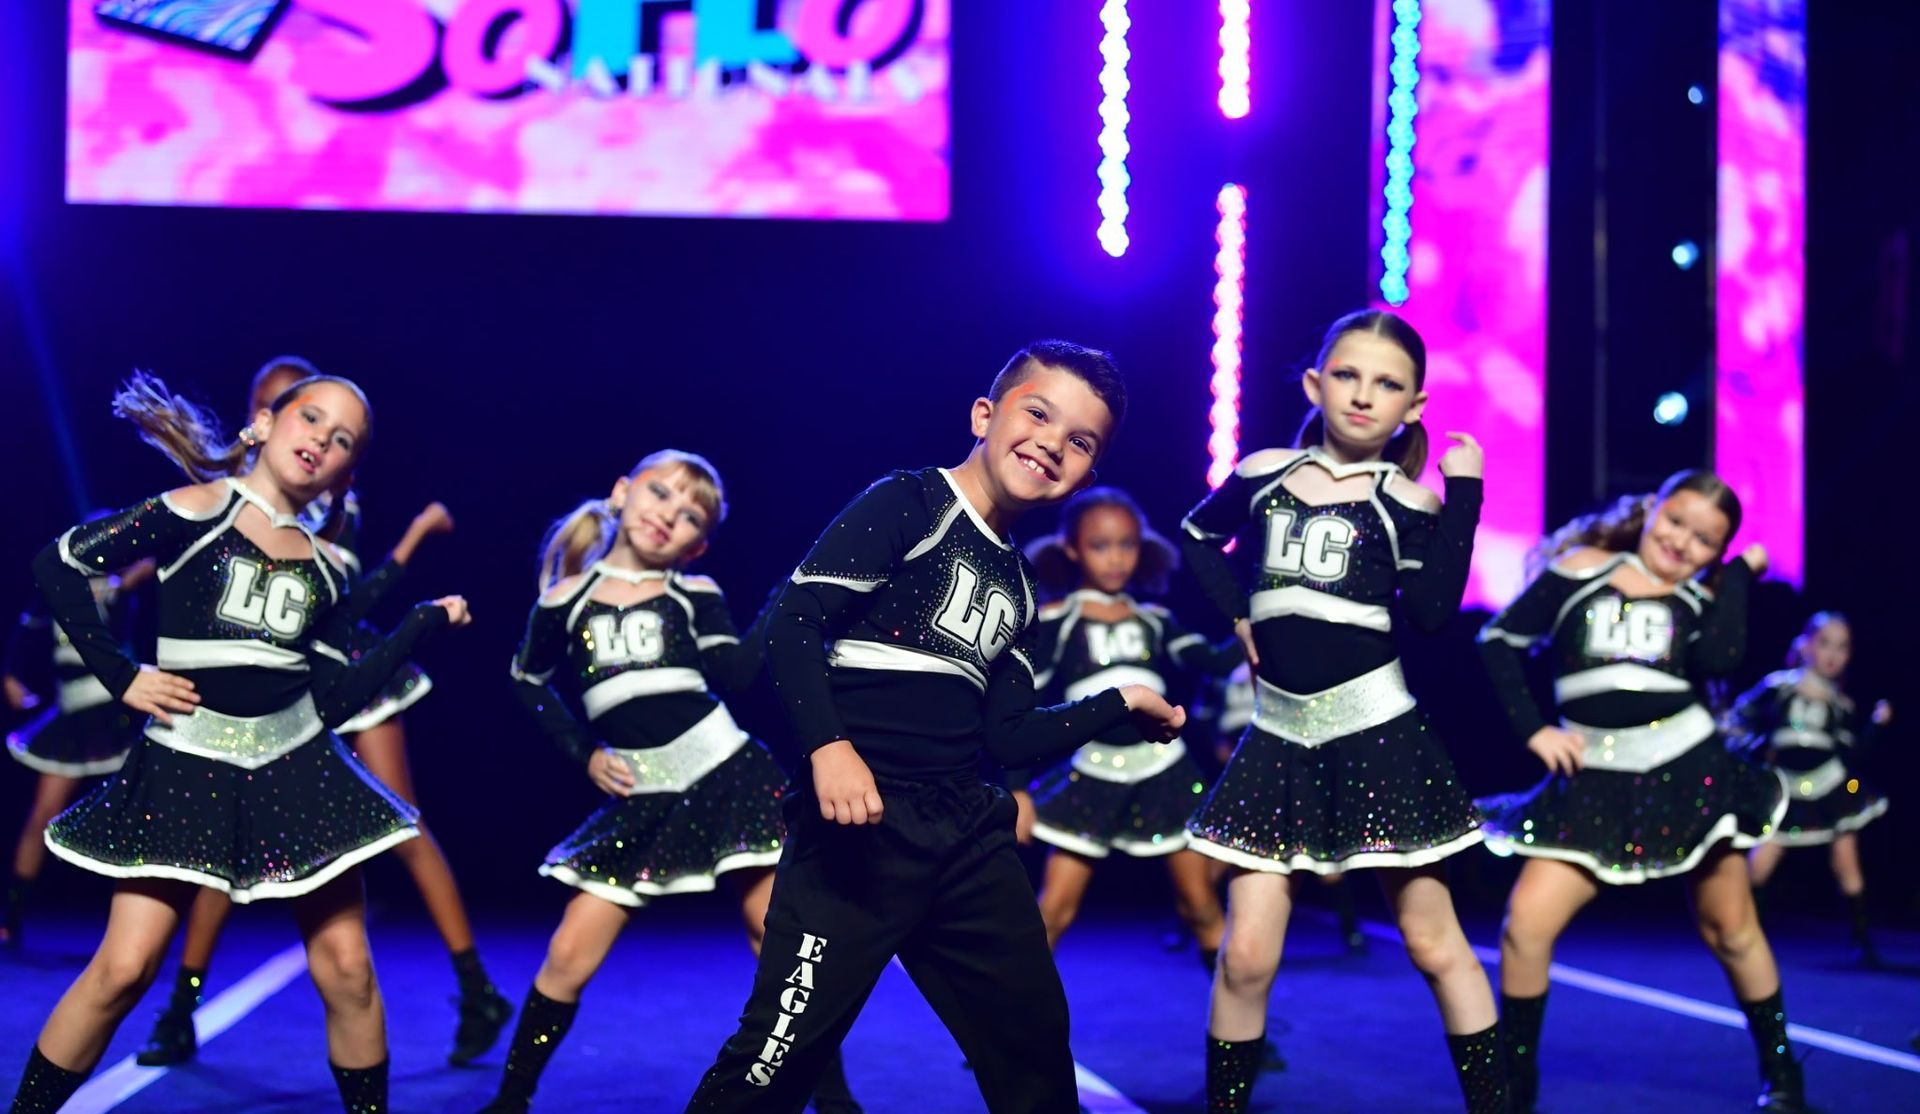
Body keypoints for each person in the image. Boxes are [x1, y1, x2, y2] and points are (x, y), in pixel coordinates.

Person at [685, 340, 1184, 1113]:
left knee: (1034, 1050)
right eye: (1038, 413)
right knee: (772, 1061)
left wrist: (1118, 701)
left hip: (965, 838)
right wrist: (829, 748)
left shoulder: (1024, 588)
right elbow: (795, 622)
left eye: (1081, 440)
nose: (1053, 442)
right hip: (859, 830)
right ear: (985, 415)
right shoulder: (911, 501)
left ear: (1087, 472)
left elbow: (1009, 735)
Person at [8, 371, 468, 1113]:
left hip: (298, 769)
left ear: (347, 473)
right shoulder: (197, 508)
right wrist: (120, 675)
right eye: (310, 417)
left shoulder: (329, 566)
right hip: (184, 764)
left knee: (348, 971)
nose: (320, 438)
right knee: (124, 968)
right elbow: (58, 562)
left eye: (342, 438)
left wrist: (419, 624)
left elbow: (333, 699)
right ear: (264, 422)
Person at [1180, 310, 1504, 1112]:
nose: (1364, 395)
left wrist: (1464, 493)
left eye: (1387, 384)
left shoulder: (1406, 500)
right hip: (1277, 735)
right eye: (1348, 375)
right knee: (1246, 957)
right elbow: (1195, 537)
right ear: (1314, 384)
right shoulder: (1264, 473)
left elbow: (1432, 613)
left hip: (1377, 735)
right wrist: (1240, 614)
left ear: (1413, 406)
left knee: (1433, 943)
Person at [1476, 469, 1810, 1112]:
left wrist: (1739, 577)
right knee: (1525, 927)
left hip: (1689, 770)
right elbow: (1498, 640)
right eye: (1677, 521)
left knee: (1730, 928)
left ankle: (1784, 1081)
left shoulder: (1699, 598)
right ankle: (1515, 1093)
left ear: (1717, 552)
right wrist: (1534, 730)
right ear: (1653, 509)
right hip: (1591, 780)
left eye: (1705, 540)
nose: (1682, 542)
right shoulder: (1582, 569)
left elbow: (1721, 660)